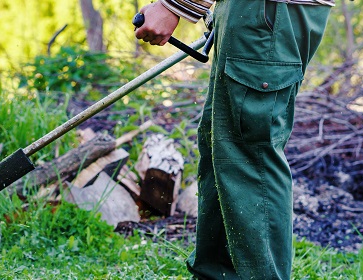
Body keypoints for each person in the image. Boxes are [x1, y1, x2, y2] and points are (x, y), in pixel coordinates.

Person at [135, 0, 333, 279]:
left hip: (266, 10)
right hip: (252, 10)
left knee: (249, 156)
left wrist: (176, 5)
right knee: (221, 148)